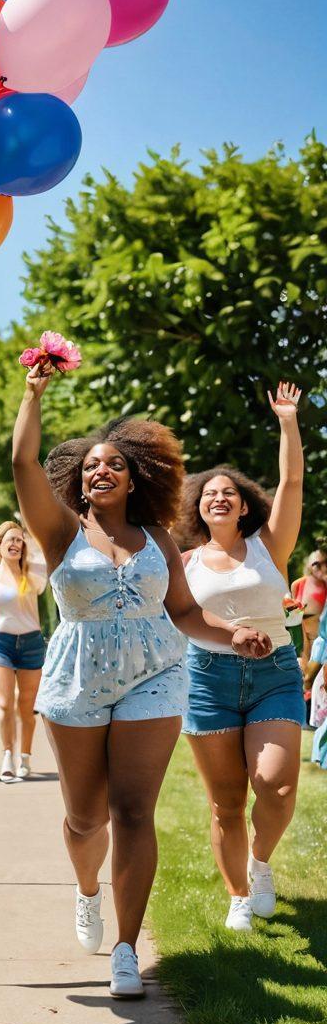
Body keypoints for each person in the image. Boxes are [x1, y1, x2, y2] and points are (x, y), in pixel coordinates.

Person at [11, 364, 270, 1000]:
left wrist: (232, 634)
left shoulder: (156, 535)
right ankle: (87, 889)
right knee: (84, 818)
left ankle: (125, 948)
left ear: (134, 478)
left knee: (133, 811)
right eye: (92, 465)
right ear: (78, 478)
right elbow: (21, 465)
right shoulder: (60, 530)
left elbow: (183, 612)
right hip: (75, 677)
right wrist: (32, 395)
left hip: (154, 675)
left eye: (115, 465)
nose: (102, 471)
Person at [178, 382, 307, 932]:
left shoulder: (269, 545)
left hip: (275, 673)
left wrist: (287, 421)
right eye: (210, 494)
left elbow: (293, 480)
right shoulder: (183, 560)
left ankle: (259, 865)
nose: (220, 497)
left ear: (245, 504)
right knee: (226, 804)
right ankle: (237, 894)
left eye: (230, 492)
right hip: (207, 680)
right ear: (199, 508)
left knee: (275, 786)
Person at [0, 521, 47, 782]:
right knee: (4, 704)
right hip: (0, 645)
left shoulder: (32, 574)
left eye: (20, 540)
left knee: (26, 709)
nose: (16, 544)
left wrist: (29, 530)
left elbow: (40, 553)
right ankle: (7, 756)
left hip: (31, 645)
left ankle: (25, 757)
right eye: (11, 540)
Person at [291, 548, 326, 684]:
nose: (321, 567)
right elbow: (297, 622)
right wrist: (303, 656)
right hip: (307, 648)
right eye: (316, 564)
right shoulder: (298, 585)